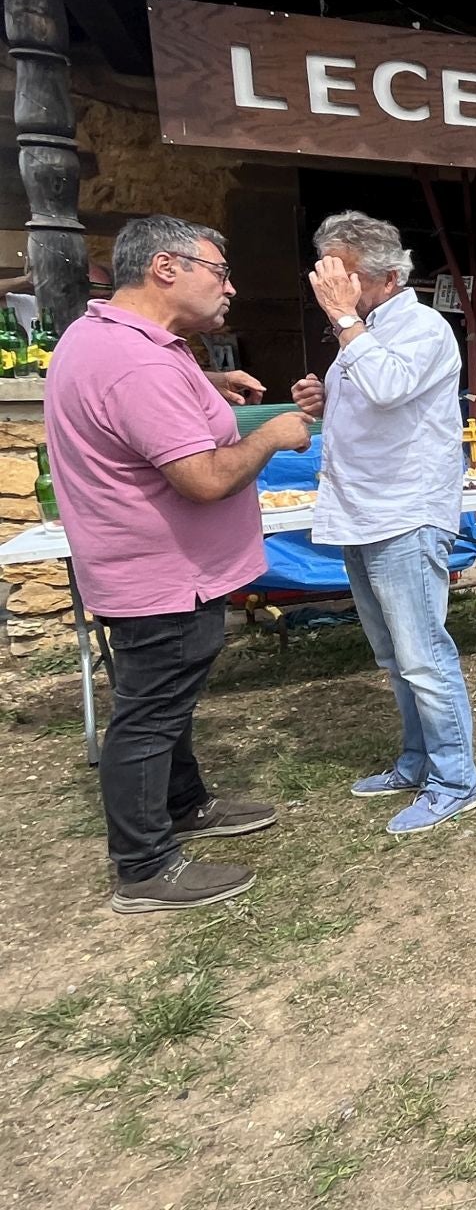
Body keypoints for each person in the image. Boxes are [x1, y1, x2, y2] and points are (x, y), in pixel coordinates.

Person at [43, 216, 312, 912]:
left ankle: (184, 804)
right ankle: (144, 866)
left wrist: (204, 386)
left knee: (165, 701)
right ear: (167, 268)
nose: (230, 287)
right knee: (149, 714)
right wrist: (276, 436)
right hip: (162, 572)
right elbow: (203, 479)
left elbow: (136, 416)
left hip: (144, 566)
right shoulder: (138, 362)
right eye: (219, 273)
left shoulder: (105, 337)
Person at [292, 211, 476, 836]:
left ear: (380, 275)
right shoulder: (364, 331)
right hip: (362, 513)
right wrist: (326, 399)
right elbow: (376, 402)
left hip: (405, 514)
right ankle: (416, 760)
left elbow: (392, 384)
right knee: (393, 656)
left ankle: (455, 779)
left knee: (423, 655)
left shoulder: (422, 326)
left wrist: (345, 321)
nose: (325, 286)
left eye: (336, 274)